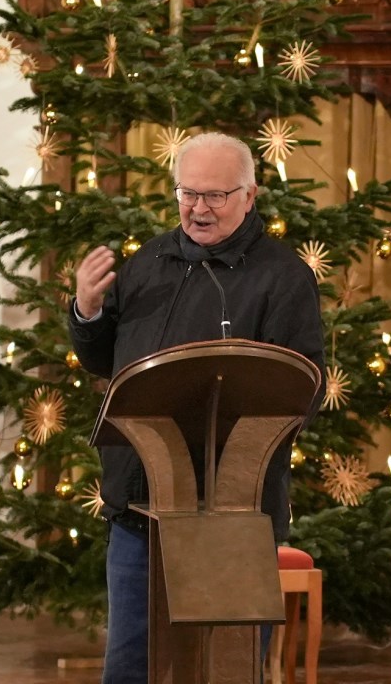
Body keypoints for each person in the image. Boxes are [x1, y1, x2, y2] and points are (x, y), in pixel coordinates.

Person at [68, 132, 326, 684]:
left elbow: (304, 386)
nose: (198, 208)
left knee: (221, 669)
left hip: (233, 509)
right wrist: (87, 311)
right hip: (141, 505)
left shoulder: (283, 278)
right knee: (132, 666)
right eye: (188, 193)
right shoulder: (146, 264)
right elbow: (104, 362)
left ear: (250, 196)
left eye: (215, 196)